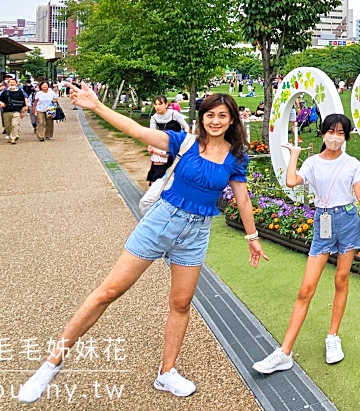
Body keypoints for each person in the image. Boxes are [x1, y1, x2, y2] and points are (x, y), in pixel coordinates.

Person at [17, 86, 266, 403]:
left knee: (181, 304)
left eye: (222, 116)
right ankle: (51, 363)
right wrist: (97, 107)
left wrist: (252, 237)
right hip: (161, 222)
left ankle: (167, 372)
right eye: (210, 115)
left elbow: (242, 199)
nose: (215, 121)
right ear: (201, 118)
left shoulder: (235, 158)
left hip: (196, 233)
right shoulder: (184, 142)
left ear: (232, 120)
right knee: (109, 291)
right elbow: (135, 130)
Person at [253, 114, 360, 373]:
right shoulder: (313, 163)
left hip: (347, 221)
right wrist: (294, 154)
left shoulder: (351, 164)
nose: (335, 137)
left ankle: (333, 337)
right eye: (331, 131)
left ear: (346, 137)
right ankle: (284, 352)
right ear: (323, 133)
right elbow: (291, 182)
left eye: (340, 133)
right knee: (306, 288)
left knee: (341, 280)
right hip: (323, 221)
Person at [147, 96, 189, 183]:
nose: (158, 107)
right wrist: (150, 145)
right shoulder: (154, 118)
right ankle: (156, 186)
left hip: (176, 142)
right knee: (158, 165)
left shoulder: (174, 114)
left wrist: (186, 139)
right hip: (162, 144)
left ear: (166, 104)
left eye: (160, 104)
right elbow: (152, 133)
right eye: (156, 104)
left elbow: (186, 127)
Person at [0, 77, 29, 143]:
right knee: (7, 126)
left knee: (15, 124)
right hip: (6, 111)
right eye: (10, 82)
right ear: (8, 84)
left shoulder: (20, 92)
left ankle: (13, 138)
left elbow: (24, 100)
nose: (12, 84)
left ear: (16, 83)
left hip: (16, 110)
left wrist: (25, 108)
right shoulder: (5, 92)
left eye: (13, 82)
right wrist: (1, 103)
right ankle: (11, 134)